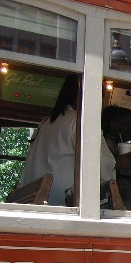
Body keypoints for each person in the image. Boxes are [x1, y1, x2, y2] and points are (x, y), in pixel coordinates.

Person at [19, 74, 80, 206]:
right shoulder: (78, 121)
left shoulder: (46, 122)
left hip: (35, 201)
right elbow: (100, 165)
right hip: (61, 204)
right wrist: (116, 163)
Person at [102, 105, 131, 210]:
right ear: (113, 123)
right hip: (111, 210)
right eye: (127, 124)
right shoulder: (103, 146)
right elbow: (110, 168)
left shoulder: (118, 146)